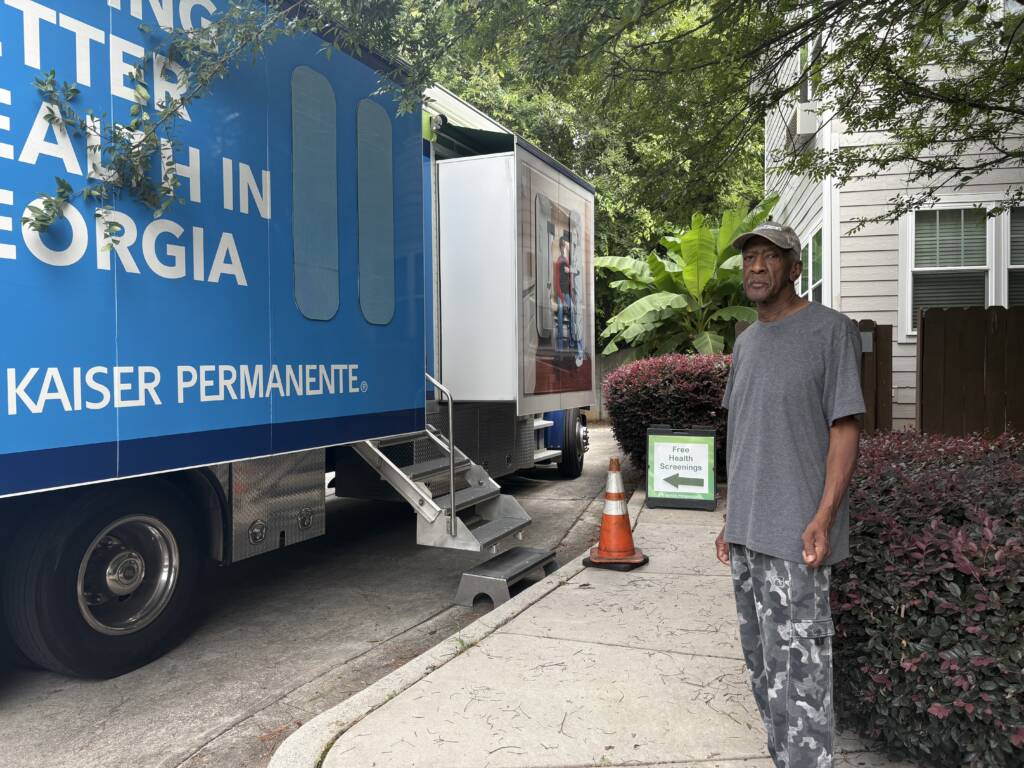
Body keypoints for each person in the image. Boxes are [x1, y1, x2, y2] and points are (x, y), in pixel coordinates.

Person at [716, 221, 864, 768]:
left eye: (769, 257)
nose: (756, 267)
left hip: (797, 540)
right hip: (749, 536)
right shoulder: (747, 343)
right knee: (762, 670)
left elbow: (845, 429)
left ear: (795, 268)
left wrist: (824, 516)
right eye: (749, 257)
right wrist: (731, 518)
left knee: (799, 679)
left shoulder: (831, 331)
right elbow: (750, 433)